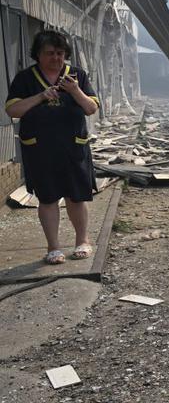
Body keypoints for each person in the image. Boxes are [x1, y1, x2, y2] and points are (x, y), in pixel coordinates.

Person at [5, 30, 100, 265]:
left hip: (73, 147)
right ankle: (53, 247)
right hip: (40, 149)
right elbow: (13, 111)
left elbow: (91, 109)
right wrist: (40, 97)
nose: (56, 58)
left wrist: (75, 91)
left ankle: (82, 240)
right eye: (50, 53)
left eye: (60, 53)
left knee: (76, 197)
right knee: (47, 198)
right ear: (38, 54)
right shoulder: (25, 78)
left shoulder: (77, 76)